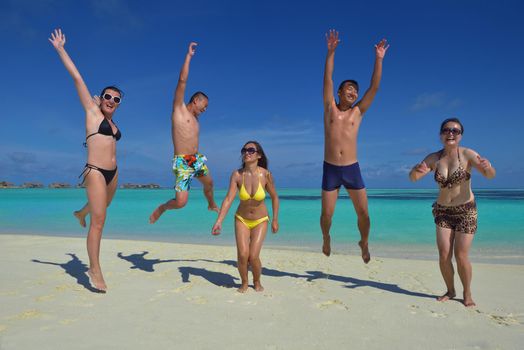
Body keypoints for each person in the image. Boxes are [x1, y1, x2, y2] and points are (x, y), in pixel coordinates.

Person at [49, 29, 123, 292]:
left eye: (116, 99)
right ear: (100, 98)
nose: (112, 100)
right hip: (94, 171)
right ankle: (94, 268)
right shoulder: (92, 112)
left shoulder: (112, 122)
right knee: (100, 220)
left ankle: (80, 212)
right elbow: (78, 78)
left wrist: (108, 116)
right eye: (108, 96)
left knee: (100, 209)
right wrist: (60, 49)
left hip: (113, 174)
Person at [409, 118, 496, 307]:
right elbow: (413, 178)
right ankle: (450, 290)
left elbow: (490, 176)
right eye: (447, 130)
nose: (451, 133)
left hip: (466, 211)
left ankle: (467, 293)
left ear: (460, 136)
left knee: (461, 255)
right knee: (443, 255)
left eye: (455, 131)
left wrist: (488, 167)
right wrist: (415, 170)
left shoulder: (468, 154)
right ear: (441, 134)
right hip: (443, 211)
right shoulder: (434, 158)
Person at [320, 30, 389, 262]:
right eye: (348, 88)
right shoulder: (329, 108)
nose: (353, 92)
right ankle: (327, 236)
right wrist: (331, 52)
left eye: (355, 90)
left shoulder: (358, 112)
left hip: (351, 168)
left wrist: (378, 58)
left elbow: (375, 87)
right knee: (326, 215)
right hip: (330, 168)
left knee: (364, 215)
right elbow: (328, 78)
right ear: (339, 92)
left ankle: (364, 242)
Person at [149, 42, 218, 224]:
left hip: (196, 159)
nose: (205, 110)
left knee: (210, 183)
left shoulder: (196, 120)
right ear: (196, 100)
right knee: (181, 203)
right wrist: (188, 57)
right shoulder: (179, 110)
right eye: (205, 106)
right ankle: (163, 207)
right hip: (182, 162)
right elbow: (182, 81)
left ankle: (211, 204)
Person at [211, 141, 279, 293]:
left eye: (251, 150)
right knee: (242, 255)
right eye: (244, 150)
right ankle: (244, 282)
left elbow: (275, 197)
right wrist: (219, 221)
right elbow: (229, 199)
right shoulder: (237, 175)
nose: (246, 153)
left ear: (259, 155)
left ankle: (256, 280)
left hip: (261, 220)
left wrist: (274, 219)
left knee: (253, 256)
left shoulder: (266, 175)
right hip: (241, 219)